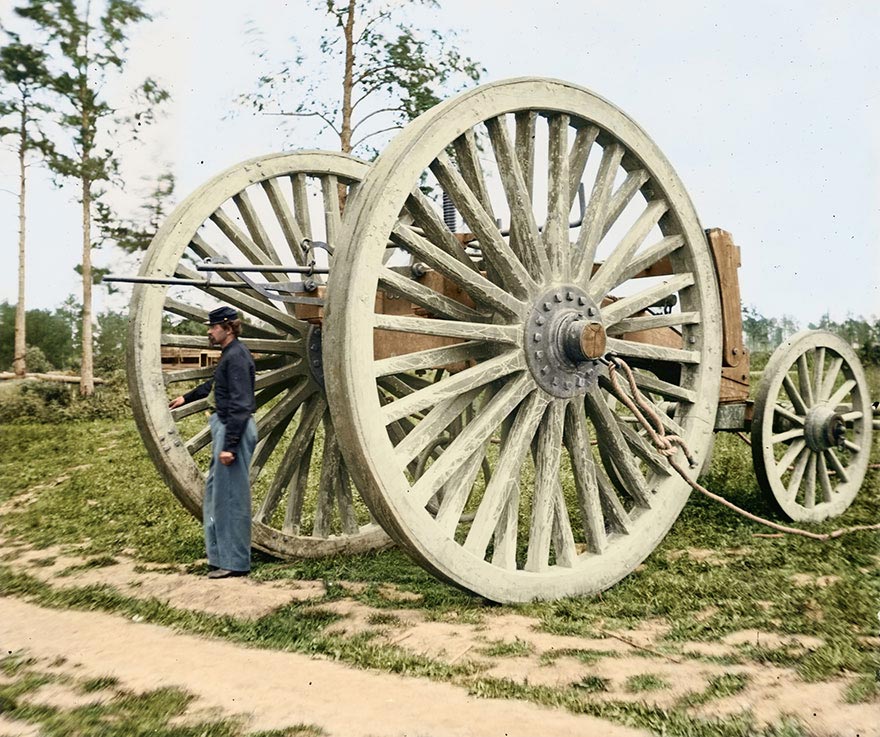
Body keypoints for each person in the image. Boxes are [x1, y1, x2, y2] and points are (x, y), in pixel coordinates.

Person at [169, 306, 257, 579]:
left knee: (231, 498)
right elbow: (216, 385)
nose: (209, 331)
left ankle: (235, 563)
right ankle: (221, 557)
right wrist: (188, 396)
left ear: (228, 328)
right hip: (227, 427)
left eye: (214, 326)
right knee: (217, 495)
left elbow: (241, 405)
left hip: (234, 429)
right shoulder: (230, 355)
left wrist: (230, 446)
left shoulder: (238, 356)